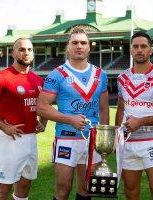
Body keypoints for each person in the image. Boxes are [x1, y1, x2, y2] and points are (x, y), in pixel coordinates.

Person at [36, 27, 109, 200]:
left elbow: (104, 108)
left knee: (86, 188)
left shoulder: (101, 74)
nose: (79, 46)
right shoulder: (57, 74)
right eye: (74, 42)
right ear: (67, 47)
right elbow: (42, 107)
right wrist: (70, 120)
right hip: (66, 137)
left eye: (83, 43)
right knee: (63, 188)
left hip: (92, 138)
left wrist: (104, 136)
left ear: (89, 47)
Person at [0, 38, 47, 200]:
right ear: (13, 53)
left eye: (29, 49)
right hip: (10, 139)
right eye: (21, 49)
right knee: (3, 190)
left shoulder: (37, 80)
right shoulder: (1, 77)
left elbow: (45, 105)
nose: (26, 53)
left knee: (24, 188)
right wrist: (3, 126)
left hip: (31, 140)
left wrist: (43, 122)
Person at [115, 31, 153, 200]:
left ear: (151, 50)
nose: (139, 50)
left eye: (144, 46)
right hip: (128, 143)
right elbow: (121, 108)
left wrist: (141, 122)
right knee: (131, 191)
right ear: (130, 49)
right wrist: (116, 136)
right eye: (136, 46)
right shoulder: (122, 78)